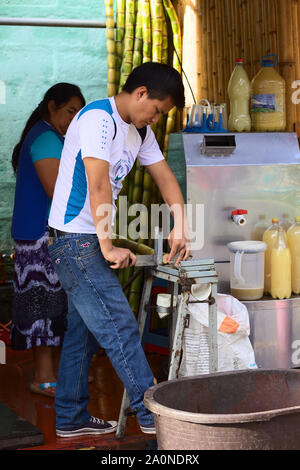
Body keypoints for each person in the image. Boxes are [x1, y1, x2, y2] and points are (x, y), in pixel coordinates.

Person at [48, 62, 190, 437]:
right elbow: (98, 184)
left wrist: (182, 224)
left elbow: (164, 177)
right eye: (158, 111)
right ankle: (153, 418)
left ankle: (71, 417)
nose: (156, 120)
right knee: (120, 327)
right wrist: (107, 245)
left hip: (88, 240)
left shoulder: (139, 132)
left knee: (84, 333)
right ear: (141, 93)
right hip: (75, 242)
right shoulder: (98, 118)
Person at [10, 83, 85, 398]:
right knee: (41, 303)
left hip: (41, 231)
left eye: (78, 114)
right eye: (70, 111)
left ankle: (58, 373)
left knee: (55, 303)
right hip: (38, 234)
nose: (73, 119)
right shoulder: (45, 138)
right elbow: (57, 190)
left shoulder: (50, 136)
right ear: (51, 107)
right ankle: (43, 377)